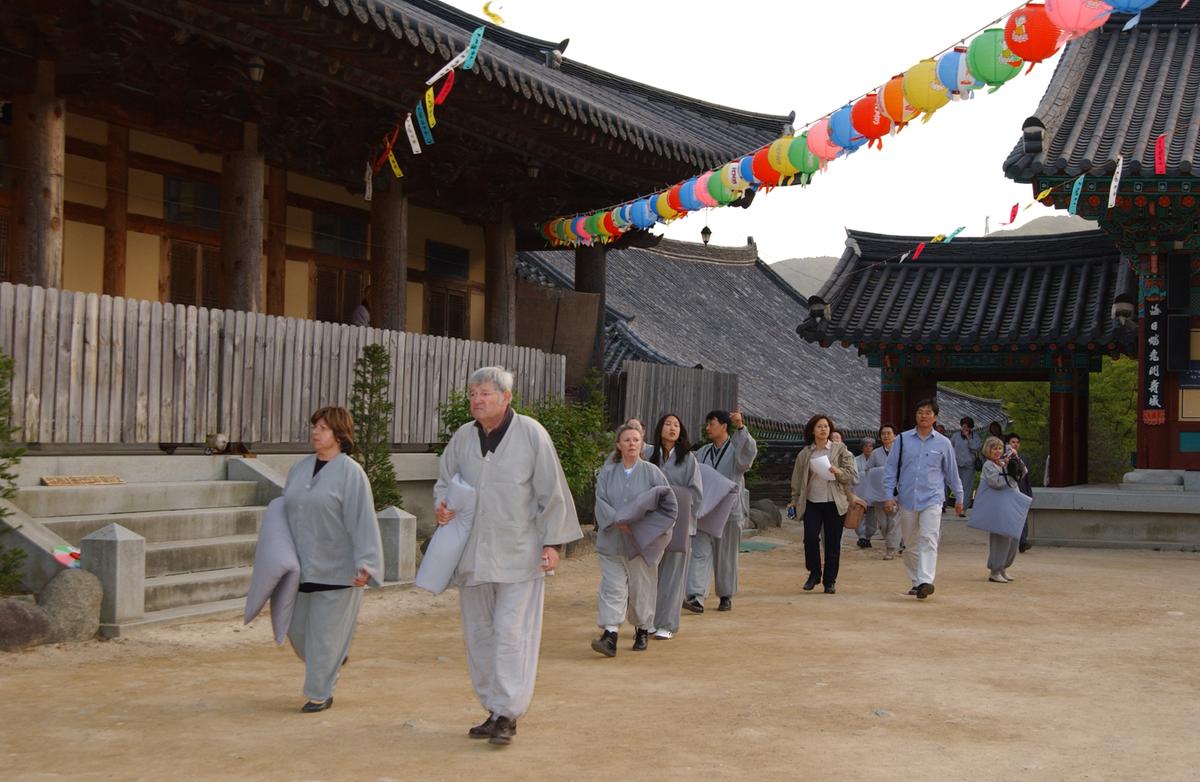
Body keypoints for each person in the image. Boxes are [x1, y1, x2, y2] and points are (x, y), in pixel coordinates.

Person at [434, 366, 582, 746]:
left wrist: (553, 544)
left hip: (519, 553)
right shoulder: (462, 438)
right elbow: (444, 482)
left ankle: (509, 713)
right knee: (480, 634)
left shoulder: (531, 433)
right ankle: (493, 707)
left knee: (511, 634)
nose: (477, 400)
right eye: (472, 393)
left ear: (506, 397)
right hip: (472, 554)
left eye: (485, 393)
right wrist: (442, 506)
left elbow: (552, 491)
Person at [283, 406, 384, 714]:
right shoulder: (299, 469)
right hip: (300, 568)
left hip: (339, 570)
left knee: (324, 638)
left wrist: (366, 564)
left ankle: (319, 693)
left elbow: (362, 519)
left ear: (339, 434)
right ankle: (332, 657)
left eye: (323, 428)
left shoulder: (351, 473)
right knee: (297, 632)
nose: (316, 432)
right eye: (314, 426)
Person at [592, 425, 672, 656]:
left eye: (636, 439)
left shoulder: (652, 472)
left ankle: (642, 628)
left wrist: (642, 526)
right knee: (612, 587)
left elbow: (665, 503)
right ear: (618, 445)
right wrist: (618, 520)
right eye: (626, 440)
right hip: (612, 540)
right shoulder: (607, 472)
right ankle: (610, 634)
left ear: (641, 444)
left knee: (641, 588)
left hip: (640, 543)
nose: (631, 444)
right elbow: (601, 500)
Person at [883, 399, 965, 600]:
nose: (924, 416)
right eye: (920, 412)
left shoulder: (944, 443)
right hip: (907, 498)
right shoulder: (902, 440)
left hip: (933, 498)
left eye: (928, 412)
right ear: (915, 415)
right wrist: (888, 496)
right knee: (910, 543)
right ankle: (916, 581)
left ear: (935, 417)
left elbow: (951, 472)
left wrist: (960, 497)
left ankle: (926, 581)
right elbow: (891, 469)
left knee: (929, 538)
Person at [684, 409, 757, 613]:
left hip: (729, 509)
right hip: (706, 509)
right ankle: (696, 596)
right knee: (699, 552)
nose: (708, 428)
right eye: (707, 424)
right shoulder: (704, 451)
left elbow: (748, 455)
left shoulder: (736, 449)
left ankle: (725, 595)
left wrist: (741, 427)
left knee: (726, 555)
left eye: (711, 424)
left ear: (724, 426)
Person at [646, 414, 702, 640]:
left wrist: (679, 503)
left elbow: (696, 494)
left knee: (673, 574)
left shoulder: (688, 459)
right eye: (668, 424)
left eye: (676, 425)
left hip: (678, 522)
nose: (672, 428)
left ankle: (666, 623)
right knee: (649, 573)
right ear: (660, 428)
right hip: (652, 521)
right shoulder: (648, 455)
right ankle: (647, 620)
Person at [788, 414, 857, 594]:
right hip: (812, 502)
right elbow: (797, 480)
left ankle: (830, 580)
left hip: (834, 501)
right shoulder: (805, 454)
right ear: (812, 430)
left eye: (826, 426)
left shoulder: (840, 449)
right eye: (819, 426)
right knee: (810, 538)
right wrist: (794, 500)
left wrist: (837, 471)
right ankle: (814, 573)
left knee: (833, 543)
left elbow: (851, 475)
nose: (823, 429)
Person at [974, 436, 1028, 583]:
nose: (997, 451)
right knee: (1000, 538)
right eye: (994, 448)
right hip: (998, 507)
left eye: (999, 448)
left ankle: (1004, 567)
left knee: (1013, 537)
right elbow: (997, 482)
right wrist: (1011, 474)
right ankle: (995, 569)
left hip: (1010, 504)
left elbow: (1023, 472)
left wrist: (1016, 461)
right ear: (988, 450)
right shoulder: (988, 466)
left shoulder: (1005, 462)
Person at [866, 425, 903, 560]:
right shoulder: (875, 453)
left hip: (896, 492)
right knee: (883, 523)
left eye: (889, 433)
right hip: (879, 493)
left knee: (894, 521)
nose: (886, 436)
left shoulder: (901, 451)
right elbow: (868, 470)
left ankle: (891, 549)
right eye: (883, 434)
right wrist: (881, 471)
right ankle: (894, 543)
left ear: (894, 436)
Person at [1006, 432, 1034, 553]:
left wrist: (1029, 492)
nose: (1015, 444)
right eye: (1013, 442)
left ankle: (1023, 541)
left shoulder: (1024, 458)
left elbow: (1027, 477)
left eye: (1017, 442)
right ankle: (1013, 541)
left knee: (1023, 517)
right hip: (1009, 491)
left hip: (1022, 490)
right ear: (1008, 444)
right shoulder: (1004, 458)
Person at [949, 417, 981, 509]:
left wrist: (968, 438)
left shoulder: (975, 436)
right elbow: (950, 448)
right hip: (956, 464)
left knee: (967, 487)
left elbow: (976, 447)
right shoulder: (955, 435)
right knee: (956, 486)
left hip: (969, 466)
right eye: (963, 426)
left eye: (967, 426)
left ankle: (963, 507)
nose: (965, 428)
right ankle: (957, 503)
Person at [854, 437, 877, 549]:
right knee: (860, 515)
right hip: (860, 491)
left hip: (873, 492)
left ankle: (868, 536)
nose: (868, 448)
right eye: (866, 446)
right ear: (862, 448)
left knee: (872, 517)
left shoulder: (876, 459)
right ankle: (861, 537)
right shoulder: (856, 460)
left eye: (871, 446)